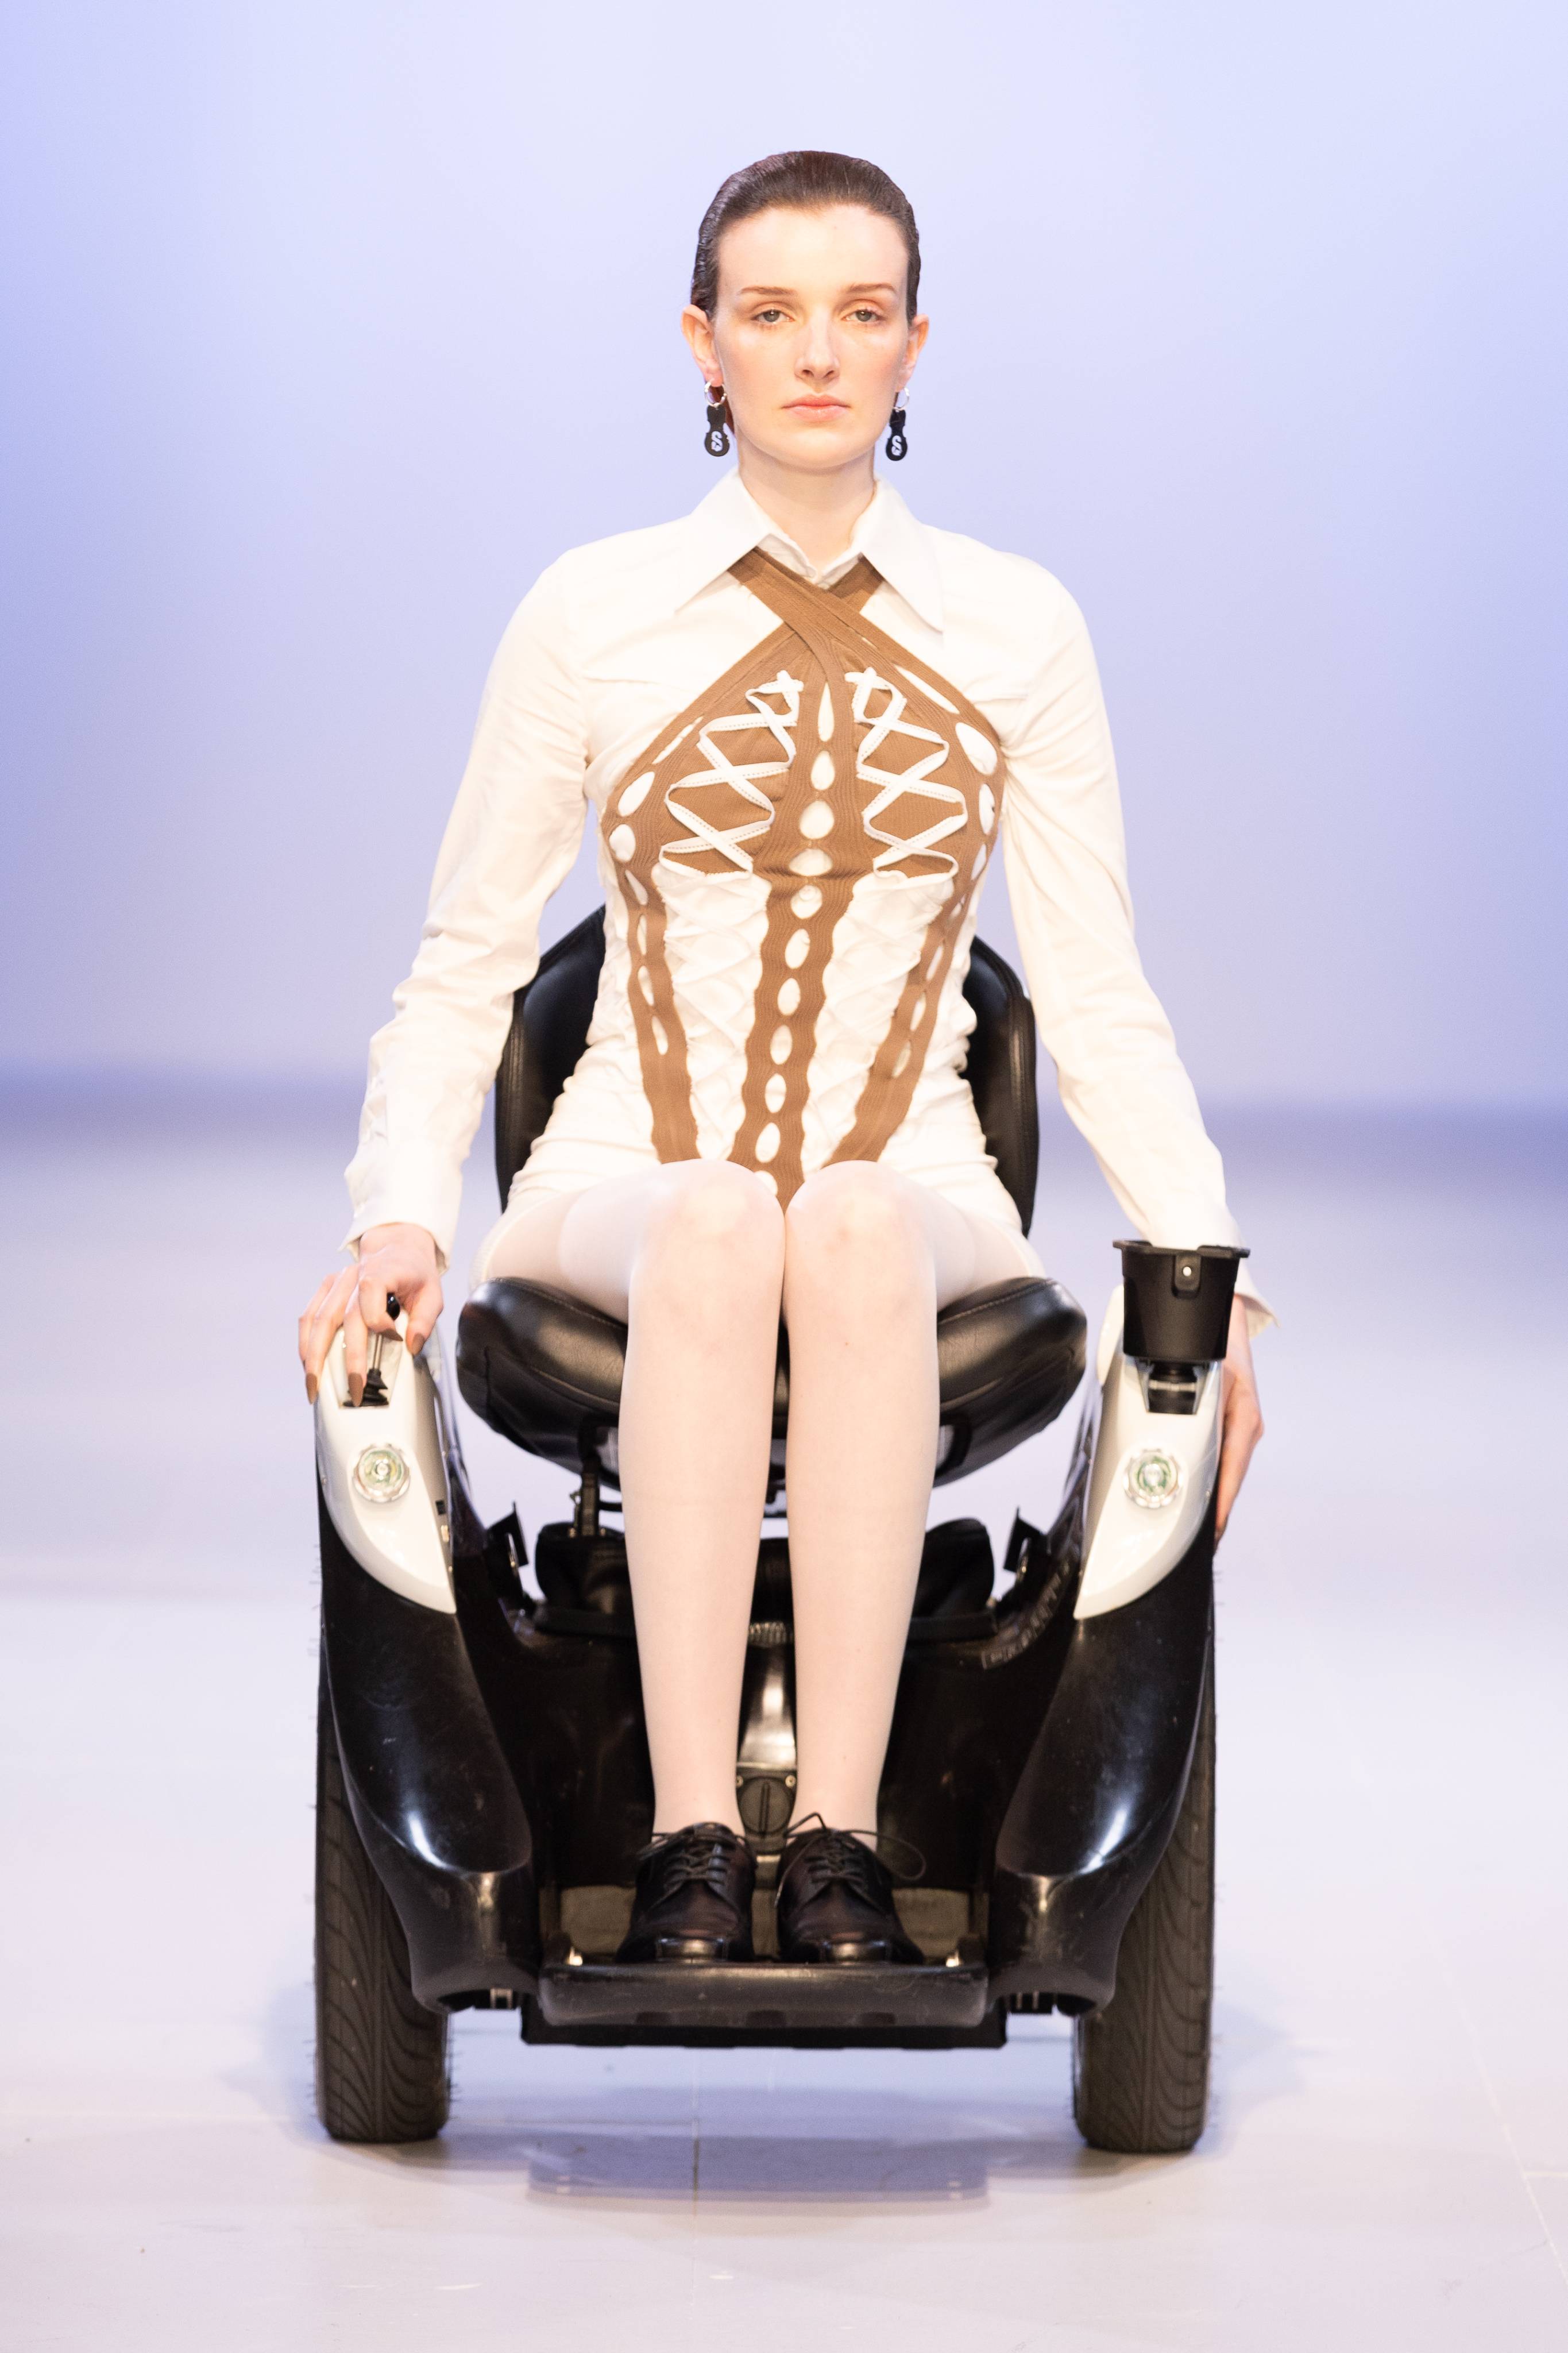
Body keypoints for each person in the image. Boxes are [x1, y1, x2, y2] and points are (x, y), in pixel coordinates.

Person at [299, 151, 1267, 1971]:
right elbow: (468, 959)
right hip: (621, 1182)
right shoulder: (589, 612)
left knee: (843, 1216)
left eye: (858, 311)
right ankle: (685, 1840)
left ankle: (838, 1844)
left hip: (916, 1190)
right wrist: (394, 1218)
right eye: (770, 312)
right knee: (728, 1216)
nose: (816, 351)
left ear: (913, 345)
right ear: (703, 343)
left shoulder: (1016, 624)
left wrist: (1204, 1290)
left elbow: (1093, 985)